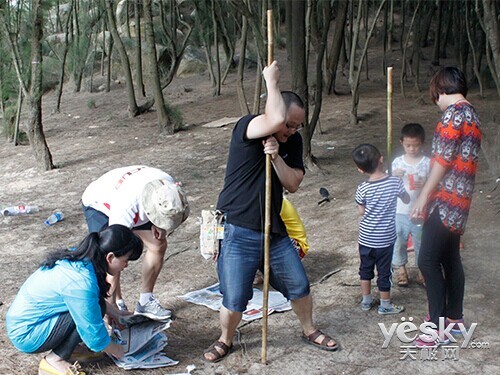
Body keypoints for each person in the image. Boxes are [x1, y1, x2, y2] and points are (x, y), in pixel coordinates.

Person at [203, 61, 338, 363]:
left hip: (273, 229)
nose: (292, 130)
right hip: (238, 228)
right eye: (289, 124)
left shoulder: (292, 141)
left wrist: (277, 157)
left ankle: (309, 329)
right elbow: (274, 115)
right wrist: (271, 82)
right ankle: (225, 340)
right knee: (235, 297)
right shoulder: (248, 127)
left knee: (299, 285)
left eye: (297, 126)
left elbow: (293, 184)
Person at [6, 225, 143, 375]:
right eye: (126, 259)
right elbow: (92, 331)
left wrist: (117, 313)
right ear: (110, 257)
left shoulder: (82, 258)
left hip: (28, 321)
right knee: (90, 312)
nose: (126, 265)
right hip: (27, 332)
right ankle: (54, 361)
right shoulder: (80, 281)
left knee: (95, 307)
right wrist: (119, 350)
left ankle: (72, 349)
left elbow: (91, 299)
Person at [412, 67, 481, 348]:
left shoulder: (452, 114)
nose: (436, 101)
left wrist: (423, 196)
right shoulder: (473, 114)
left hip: (445, 198)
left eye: (435, 95)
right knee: (451, 258)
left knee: (427, 260)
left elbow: (443, 160)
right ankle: (454, 320)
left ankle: (436, 325)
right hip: (461, 200)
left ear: (440, 89)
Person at [82, 166, 189, 320]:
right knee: (113, 260)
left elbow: (169, 212)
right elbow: (113, 260)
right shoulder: (125, 209)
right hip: (99, 203)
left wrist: (160, 224)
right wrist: (109, 308)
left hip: (136, 199)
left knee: (158, 243)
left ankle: (146, 302)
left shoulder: (168, 187)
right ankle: (116, 303)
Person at [352, 143, 410, 314]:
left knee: (365, 269)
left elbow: (361, 211)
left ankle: (366, 301)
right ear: (381, 160)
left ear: (360, 170)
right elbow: (406, 199)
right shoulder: (395, 182)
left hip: (366, 238)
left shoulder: (362, 188)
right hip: (385, 239)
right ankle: (385, 305)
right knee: (384, 272)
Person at [391, 123, 430, 287]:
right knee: (399, 240)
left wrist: (426, 183)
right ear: (402, 143)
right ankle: (401, 269)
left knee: (421, 241)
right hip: (400, 210)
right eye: (408, 145)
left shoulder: (427, 163)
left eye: (416, 145)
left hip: (420, 210)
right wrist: (394, 175)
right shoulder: (397, 162)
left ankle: (422, 269)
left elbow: (434, 184)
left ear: (422, 143)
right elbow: (390, 185)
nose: (412, 149)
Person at [253, 196, 310, 284]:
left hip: (296, 246)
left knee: (250, 239)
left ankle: (253, 274)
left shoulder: (270, 201)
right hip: (284, 240)